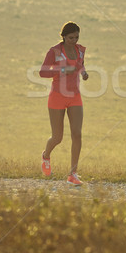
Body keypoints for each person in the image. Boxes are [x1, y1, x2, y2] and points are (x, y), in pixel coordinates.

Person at [39, 21, 89, 185]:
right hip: (57, 96)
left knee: (77, 134)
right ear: (63, 36)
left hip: (74, 96)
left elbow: (80, 66)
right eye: (70, 38)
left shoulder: (80, 50)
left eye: (76, 37)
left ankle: (72, 174)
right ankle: (46, 156)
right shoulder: (54, 51)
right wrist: (62, 70)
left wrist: (84, 73)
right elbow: (43, 72)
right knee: (57, 137)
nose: (74, 40)